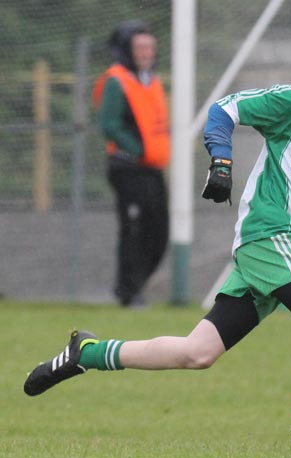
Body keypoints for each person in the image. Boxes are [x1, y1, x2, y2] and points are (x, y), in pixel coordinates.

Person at [24, 31, 291, 453]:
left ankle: (88, 352)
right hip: (271, 234)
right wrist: (221, 161)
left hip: (290, 251)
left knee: (197, 352)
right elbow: (225, 109)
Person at [92, 20, 170, 306]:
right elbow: (109, 124)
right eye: (140, 47)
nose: (147, 52)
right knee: (134, 229)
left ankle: (135, 286)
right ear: (127, 49)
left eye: (150, 46)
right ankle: (127, 291)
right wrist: (138, 150)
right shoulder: (117, 80)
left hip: (152, 168)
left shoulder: (152, 78)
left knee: (158, 231)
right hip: (127, 168)